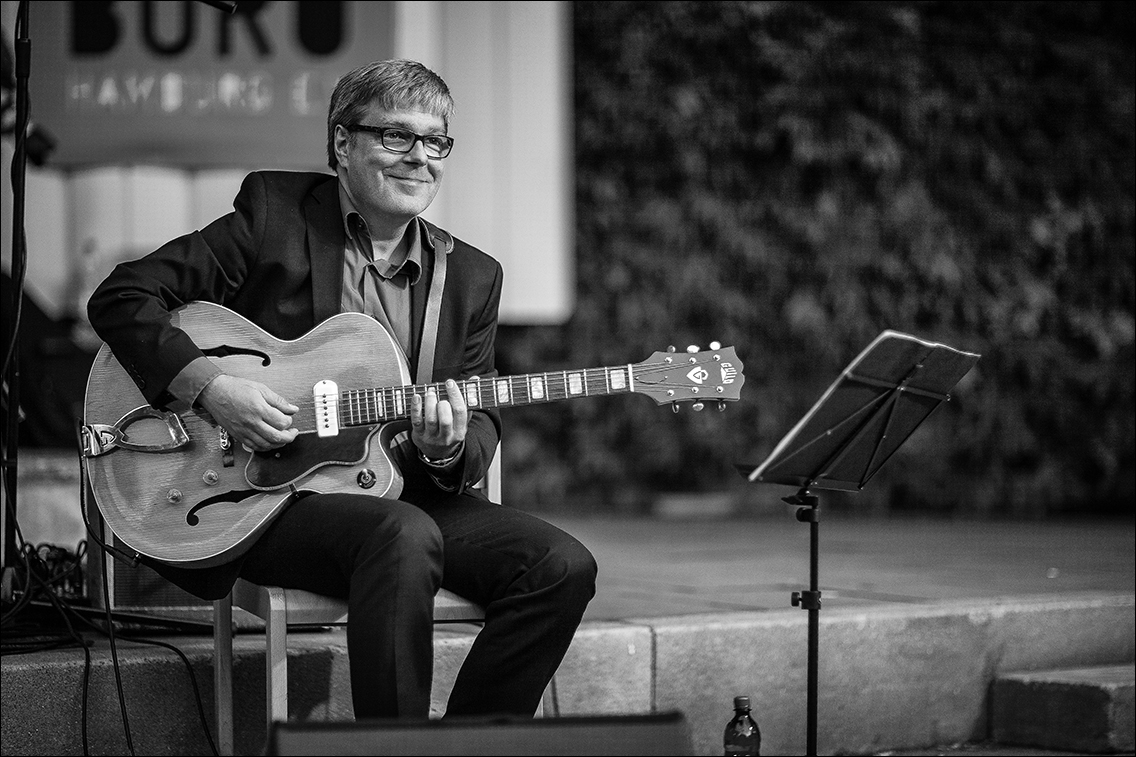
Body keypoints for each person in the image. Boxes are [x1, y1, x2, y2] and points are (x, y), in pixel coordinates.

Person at [86, 59, 597, 719]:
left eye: (436, 142)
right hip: (264, 494)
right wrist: (211, 389)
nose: (420, 157)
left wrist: (443, 449)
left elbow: (480, 428)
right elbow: (124, 296)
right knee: (402, 533)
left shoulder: (470, 276)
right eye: (396, 137)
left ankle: (473, 743)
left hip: (397, 492)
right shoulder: (275, 215)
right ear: (341, 144)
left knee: (560, 565)